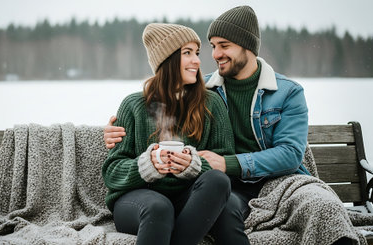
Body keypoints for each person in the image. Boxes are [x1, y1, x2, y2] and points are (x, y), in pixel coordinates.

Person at [105, 6, 353, 245]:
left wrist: (207, 164)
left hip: (267, 183)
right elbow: (116, 165)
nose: (211, 57)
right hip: (208, 192)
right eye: (211, 47)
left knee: (321, 208)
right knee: (177, 206)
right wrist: (133, 151)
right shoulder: (194, 91)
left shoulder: (279, 93)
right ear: (167, 60)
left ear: (247, 47)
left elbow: (287, 153)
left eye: (223, 46)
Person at [101, 22, 250, 245]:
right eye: (187, 53)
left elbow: (224, 173)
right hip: (139, 201)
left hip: (190, 201)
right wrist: (147, 164)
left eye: (197, 53)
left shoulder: (211, 104)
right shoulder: (134, 105)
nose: (197, 61)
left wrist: (193, 165)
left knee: (217, 181)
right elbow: (113, 172)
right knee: (159, 207)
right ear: (167, 59)